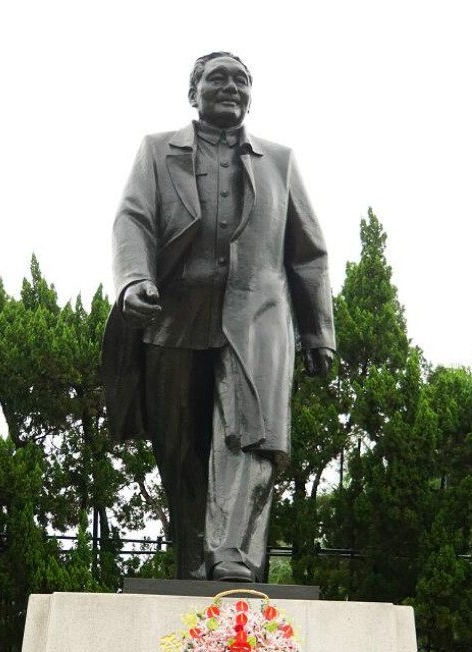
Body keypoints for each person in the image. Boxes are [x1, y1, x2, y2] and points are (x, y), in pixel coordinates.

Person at [102, 51, 336, 583]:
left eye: (241, 80)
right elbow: (133, 220)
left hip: (257, 318)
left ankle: (232, 555)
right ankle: (193, 560)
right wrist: (135, 280)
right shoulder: (157, 150)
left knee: (251, 435)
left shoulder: (280, 161)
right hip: (173, 315)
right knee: (180, 445)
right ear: (194, 93)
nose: (231, 87)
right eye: (217, 78)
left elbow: (307, 253)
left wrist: (318, 331)